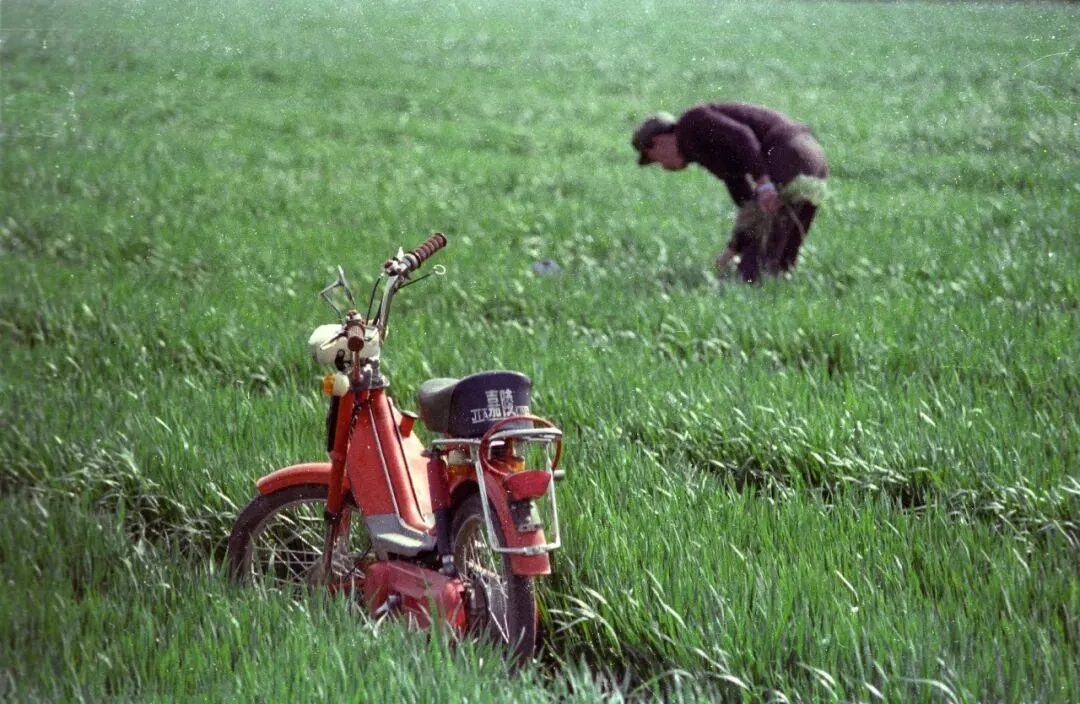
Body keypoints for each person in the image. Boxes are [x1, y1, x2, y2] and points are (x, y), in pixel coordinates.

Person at [631, 102, 828, 283]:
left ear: (658, 141)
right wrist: (734, 248)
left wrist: (764, 184)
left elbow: (742, 136)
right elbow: (747, 204)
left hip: (788, 153)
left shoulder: (691, 124)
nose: (663, 166)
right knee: (780, 259)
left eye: (655, 159)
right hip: (811, 157)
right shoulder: (704, 148)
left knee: (753, 268)